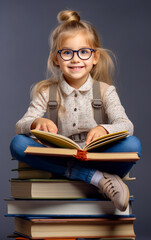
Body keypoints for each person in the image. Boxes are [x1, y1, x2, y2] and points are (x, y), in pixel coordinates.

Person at [10, 10, 142, 211]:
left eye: (83, 52)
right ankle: (95, 178)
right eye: (67, 52)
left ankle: (86, 174)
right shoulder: (46, 91)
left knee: (133, 145)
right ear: (56, 58)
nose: (75, 59)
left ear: (95, 56)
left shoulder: (106, 91)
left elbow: (126, 125)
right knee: (18, 144)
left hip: (97, 155)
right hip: (61, 155)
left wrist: (105, 130)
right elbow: (20, 125)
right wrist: (36, 123)